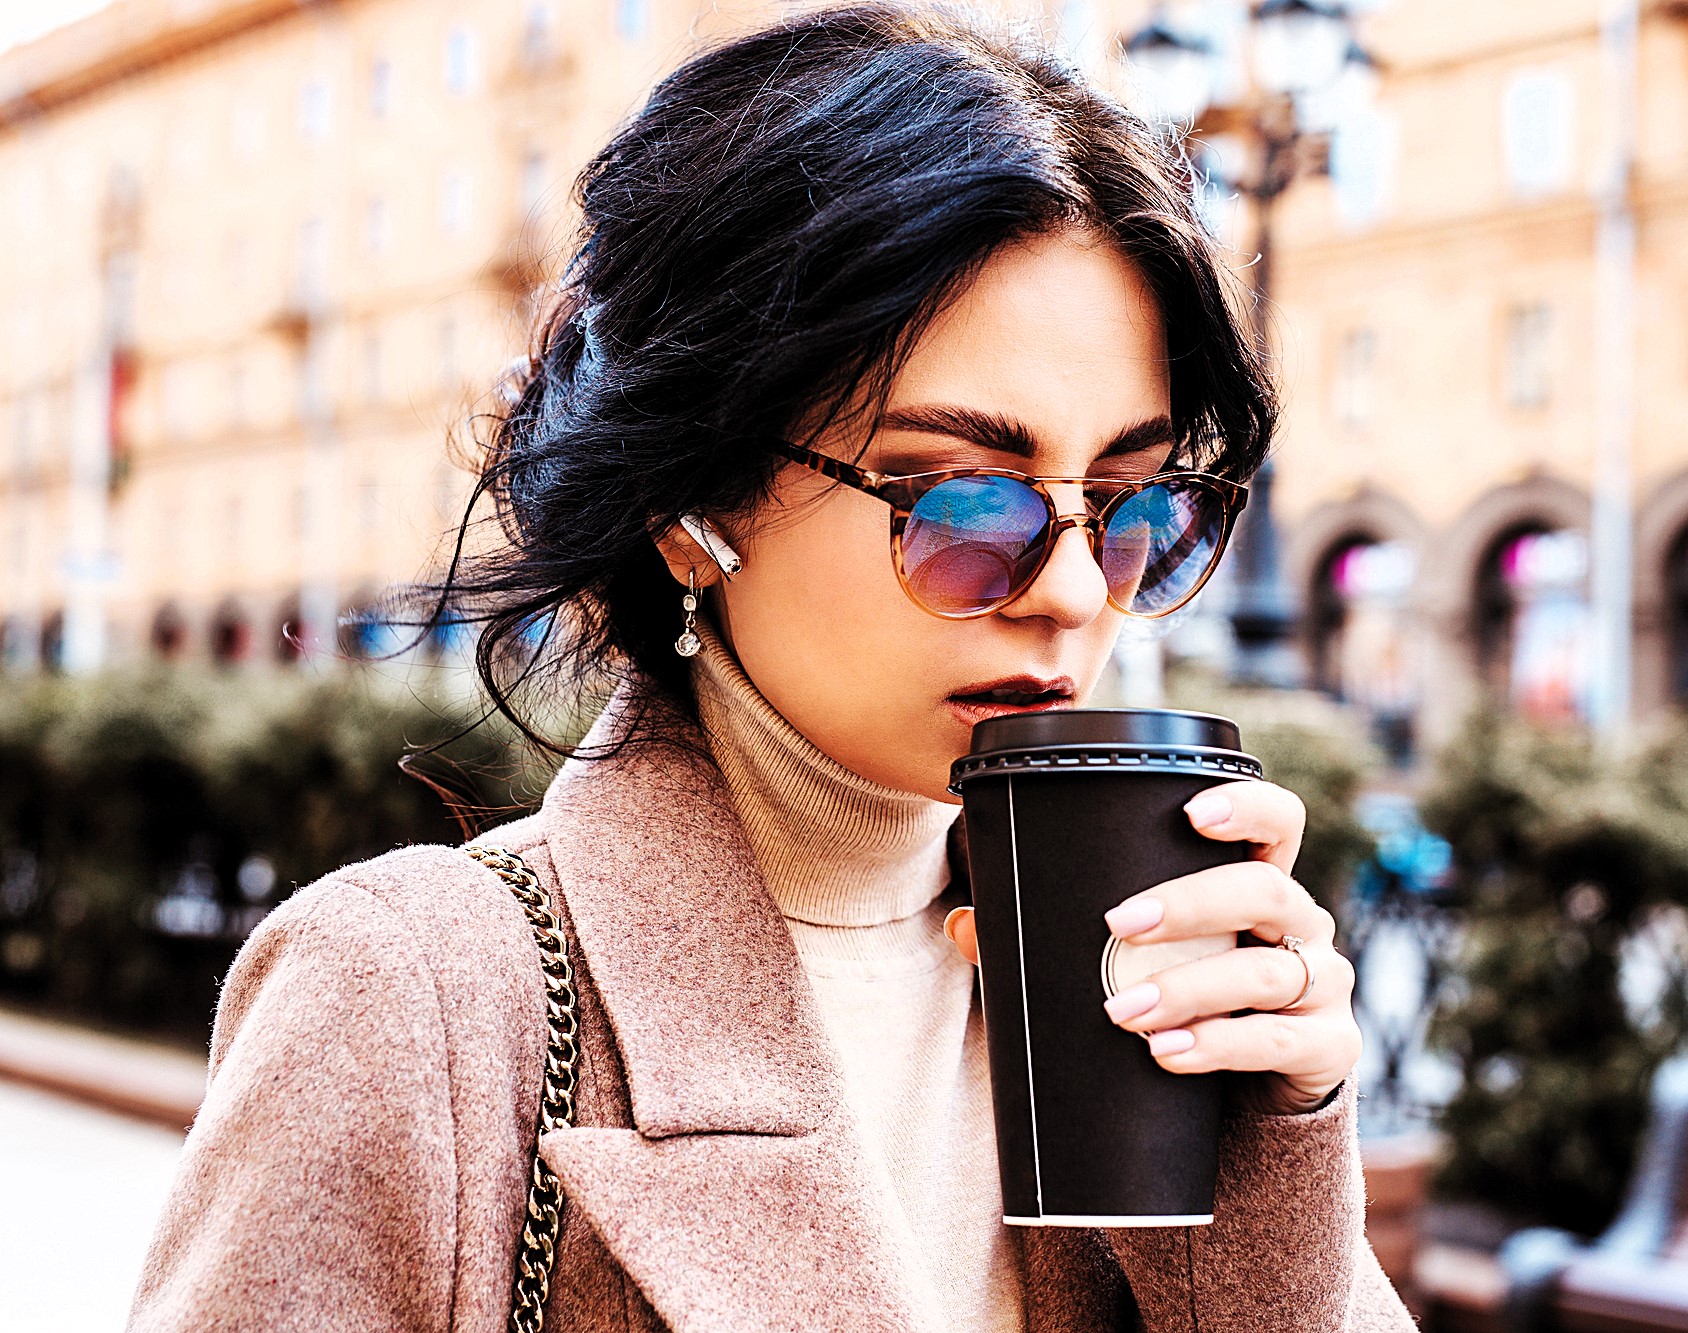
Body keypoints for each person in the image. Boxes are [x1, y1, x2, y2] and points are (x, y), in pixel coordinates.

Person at [130, 6, 1413, 1331]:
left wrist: (1266, 1180)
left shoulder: (1115, 995)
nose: (1079, 592)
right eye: (966, 507)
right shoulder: (410, 1000)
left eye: (1139, 507)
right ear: (694, 504)